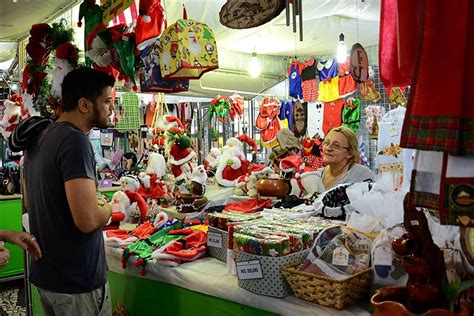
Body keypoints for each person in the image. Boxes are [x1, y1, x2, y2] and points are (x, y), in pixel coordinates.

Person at [16, 68, 115, 315]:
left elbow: (29, 202)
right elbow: (87, 220)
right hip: (76, 283)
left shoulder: (40, 136)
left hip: (48, 277)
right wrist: (111, 208)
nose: (110, 110)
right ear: (84, 105)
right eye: (106, 102)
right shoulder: (75, 141)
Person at [314, 126, 375, 192]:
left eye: (336, 145)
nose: (328, 148)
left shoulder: (362, 175)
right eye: (327, 143)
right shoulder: (317, 175)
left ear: (349, 153)